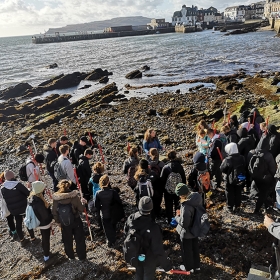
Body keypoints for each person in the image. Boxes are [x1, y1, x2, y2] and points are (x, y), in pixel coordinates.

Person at [124, 196, 173, 279]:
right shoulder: (154, 228)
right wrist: (167, 267)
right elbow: (158, 250)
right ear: (151, 209)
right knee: (148, 276)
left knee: (139, 272)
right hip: (149, 259)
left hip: (135, 254)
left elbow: (126, 233)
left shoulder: (131, 219)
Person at [52, 179, 87, 260]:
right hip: (76, 220)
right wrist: (83, 203)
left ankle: (70, 256)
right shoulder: (74, 196)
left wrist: (58, 222)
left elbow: (54, 212)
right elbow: (81, 209)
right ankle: (82, 256)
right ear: (69, 186)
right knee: (79, 239)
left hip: (64, 223)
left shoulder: (56, 198)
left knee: (67, 240)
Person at [1, 170, 36, 246]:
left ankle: (22, 240)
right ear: (13, 176)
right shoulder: (18, 185)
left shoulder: (2, 188)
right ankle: (33, 238)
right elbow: (28, 194)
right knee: (27, 222)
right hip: (23, 207)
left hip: (13, 210)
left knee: (18, 223)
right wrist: (29, 189)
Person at [174, 183, 202, 273]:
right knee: (195, 248)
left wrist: (177, 216)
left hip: (187, 233)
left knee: (187, 251)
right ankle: (197, 266)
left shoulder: (186, 206)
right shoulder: (197, 197)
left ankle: (189, 268)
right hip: (196, 229)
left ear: (182, 195)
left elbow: (184, 223)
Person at [248, 137, 277, 214]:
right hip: (265, 178)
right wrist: (271, 176)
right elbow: (272, 168)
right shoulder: (268, 155)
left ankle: (257, 202)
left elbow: (248, 165)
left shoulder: (251, 152)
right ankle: (257, 209)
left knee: (255, 189)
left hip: (254, 176)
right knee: (263, 193)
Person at [28, 181, 54, 266]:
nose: (45, 189)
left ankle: (46, 252)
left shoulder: (32, 198)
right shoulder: (39, 202)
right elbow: (45, 216)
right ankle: (46, 255)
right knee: (46, 239)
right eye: (43, 188)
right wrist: (53, 214)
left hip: (39, 222)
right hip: (44, 224)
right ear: (40, 190)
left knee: (44, 237)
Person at [95, 175, 123, 247]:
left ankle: (109, 240)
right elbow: (119, 202)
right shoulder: (113, 192)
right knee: (113, 225)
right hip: (113, 213)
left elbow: (96, 206)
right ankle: (114, 239)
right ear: (108, 182)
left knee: (106, 228)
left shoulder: (98, 193)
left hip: (104, 214)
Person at [160, 150, 186, 224]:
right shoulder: (180, 167)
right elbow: (183, 179)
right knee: (178, 204)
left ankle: (170, 220)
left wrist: (163, 190)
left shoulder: (166, 167)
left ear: (168, 157)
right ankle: (178, 218)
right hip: (178, 190)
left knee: (169, 205)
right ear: (175, 156)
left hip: (168, 191)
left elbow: (162, 180)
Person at [220, 143, 246, 213]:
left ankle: (230, 207)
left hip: (230, 179)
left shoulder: (228, 159)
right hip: (240, 178)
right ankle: (237, 206)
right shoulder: (242, 157)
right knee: (238, 191)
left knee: (229, 192)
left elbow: (222, 169)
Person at [148, 148, 165, 217]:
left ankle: (152, 212)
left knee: (152, 198)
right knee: (158, 199)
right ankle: (158, 211)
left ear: (150, 154)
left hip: (150, 184)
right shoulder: (161, 164)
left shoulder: (148, 164)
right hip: (159, 185)